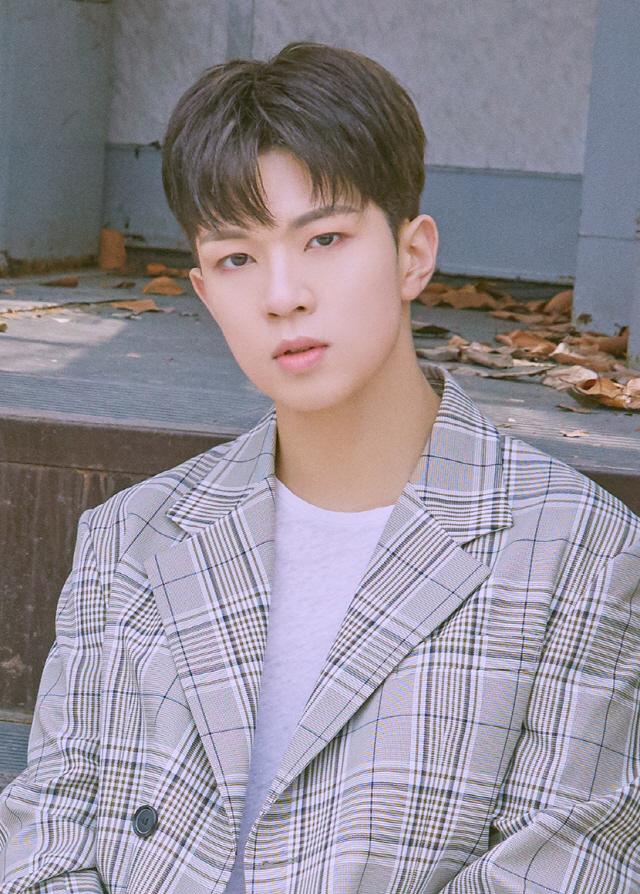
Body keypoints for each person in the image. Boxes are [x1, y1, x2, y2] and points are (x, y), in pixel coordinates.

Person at [1, 42, 639, 894]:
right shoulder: (131, 538)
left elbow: (563, 872)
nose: (282, 294)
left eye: (325, 238)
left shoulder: (578, 554)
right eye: (237, 257)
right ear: (204, 293)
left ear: (413, 254)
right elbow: (45, 837)